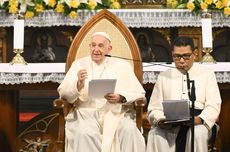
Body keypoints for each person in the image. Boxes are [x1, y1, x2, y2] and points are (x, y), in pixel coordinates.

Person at [57, 32, 146, 152]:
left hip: (116, 114)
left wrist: (120, 98)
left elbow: (139, 94)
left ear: (109, 49)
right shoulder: (78, 65)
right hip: (85, 114)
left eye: (100, 46)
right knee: (83, 133)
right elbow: (63, 93)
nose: (96, 49)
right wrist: (78, 84)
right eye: (93, 45)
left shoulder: (122, 66)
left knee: (129, 130)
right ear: (89, 47)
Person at [146, 36, 222, 152]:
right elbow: (154, 107)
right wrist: (160, 120)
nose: (181, 60)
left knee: (197, 133)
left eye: (186, 56)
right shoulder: (164, 76)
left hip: (197, 120)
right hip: (171, 122)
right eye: (177, 56)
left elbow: (213, 104)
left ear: (194, 54)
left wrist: (200, 119)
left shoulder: (207, 74)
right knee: (155, 134)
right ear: (172, 54)